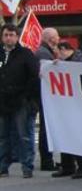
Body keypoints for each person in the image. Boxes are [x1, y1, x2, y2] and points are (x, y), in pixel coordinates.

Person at [0, 24, 40, 179]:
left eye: (11, 35)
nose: (8, 38)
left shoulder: (25, 54)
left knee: (24, 135)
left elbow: (33, 76)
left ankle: (27, 166)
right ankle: (3, 167)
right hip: (3, 101)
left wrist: (28, 98)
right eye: (6, 35)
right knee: (3, 136)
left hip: (21, 101)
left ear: (17, 37)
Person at [52, 42, 82, 179]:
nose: (56, 54)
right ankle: (67, 166)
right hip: (65, 106)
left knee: (77, 136)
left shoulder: (79, 61)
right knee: (65, 135)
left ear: (63, 50)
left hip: (78, 106)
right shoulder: (63, 63)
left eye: (57, 51)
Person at [35, 27, 59, 172]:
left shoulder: (44, 52)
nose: (58, 39)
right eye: (56, 36)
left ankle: (47, 159)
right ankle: (47, 160)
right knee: (45, 128)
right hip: (45, 96)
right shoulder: (43, 54)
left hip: (45, 96)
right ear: (51, 39)